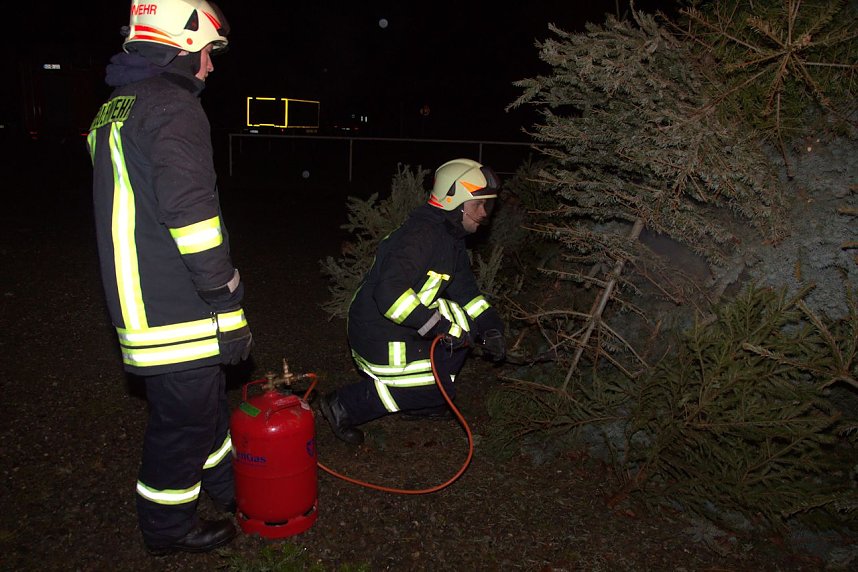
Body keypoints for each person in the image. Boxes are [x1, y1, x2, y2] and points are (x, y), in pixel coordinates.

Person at [86, 0, 252, 555]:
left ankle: (231, 491)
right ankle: (167, 530)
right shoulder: (171, 106)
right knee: (181, 427)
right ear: (180, 48)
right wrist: (227, 300)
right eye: (207, 53)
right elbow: (193, 218)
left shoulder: (117, 106)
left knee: (201, 412)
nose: (210, 66)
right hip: (173, 307)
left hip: (138, 300)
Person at [320, 158, 507, 445]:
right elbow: (389, 295)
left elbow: (466, 292)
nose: (485, 214)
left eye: (488, 206)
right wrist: (439, 328)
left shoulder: (450, 237)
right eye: (479, 205)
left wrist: (490, 327)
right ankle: (345, 404)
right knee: (438, 386)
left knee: (463, 325)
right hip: (376, 333)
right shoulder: (421, 237)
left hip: (400, 325)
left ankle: (423, 402)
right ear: (455, 202)